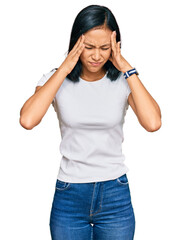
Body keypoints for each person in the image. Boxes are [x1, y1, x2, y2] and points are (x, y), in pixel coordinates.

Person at [19, 4, 162, 240]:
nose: (97, 55)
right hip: (69, 194)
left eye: (105, 48)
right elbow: (27, 119)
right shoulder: (55, 79)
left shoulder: (124, 82)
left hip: (115, 193)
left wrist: (126, 67)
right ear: (76, 43)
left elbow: (153, 122)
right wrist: (65, 68)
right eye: (88, 47)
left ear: (115, 46)